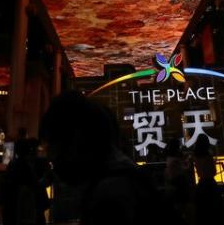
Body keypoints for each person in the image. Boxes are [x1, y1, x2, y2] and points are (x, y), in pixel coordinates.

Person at [39, 91, 180, 225]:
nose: (51, 156)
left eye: (52, 144)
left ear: (76, 137)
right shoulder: (126, 176)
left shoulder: (109, 195)